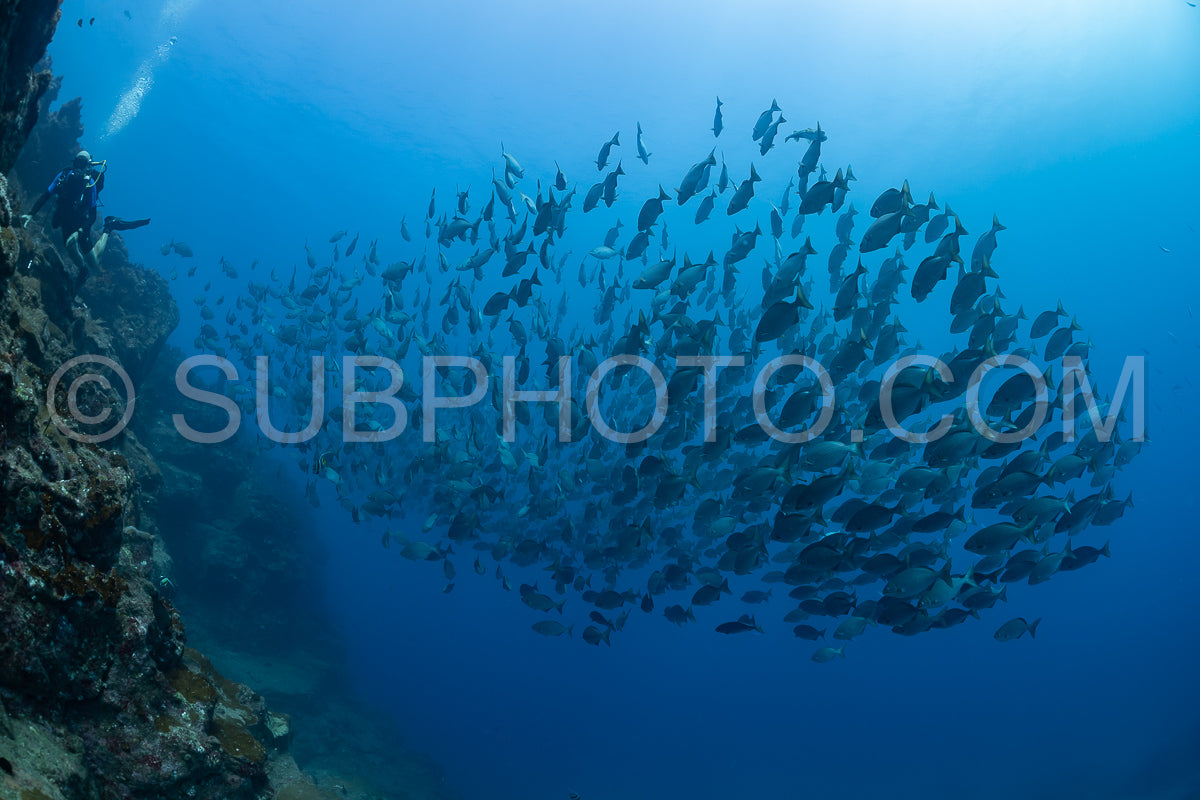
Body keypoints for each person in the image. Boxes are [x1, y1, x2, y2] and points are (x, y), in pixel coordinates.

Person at [21, 150, 149, 289]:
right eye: (78, 161)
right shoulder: (64, 175)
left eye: (83, 162)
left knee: (93, 262)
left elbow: (93, 215)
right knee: (70, 248)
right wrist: (31, 214)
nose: (79, 164)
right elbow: (46, 195)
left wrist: (80, 232)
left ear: (87, 165)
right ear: (74, 161)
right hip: (65, 219)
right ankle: (83, 270)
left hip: (82, 223)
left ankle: (109, 227)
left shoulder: (90, 184)